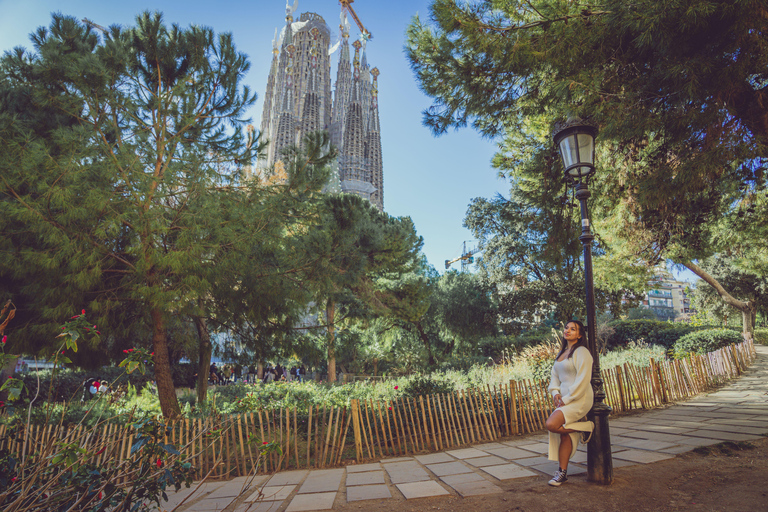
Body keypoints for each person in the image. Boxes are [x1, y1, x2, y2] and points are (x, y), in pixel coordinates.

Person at [545, 320, 595, 486]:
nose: (568, 331)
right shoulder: (562, 353)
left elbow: (582, 380)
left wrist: (566, 399)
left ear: (579, 335)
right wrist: (555, 392)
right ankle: (562, 473)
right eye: (567, 327)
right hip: (565, 400)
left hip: (579, 399)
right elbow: (554, 377)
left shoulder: (582, 352)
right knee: (564, 433)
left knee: (551, 424)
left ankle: (586, 427)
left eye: (573, 329)